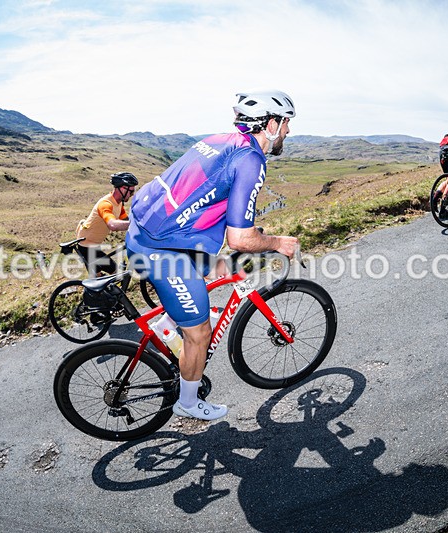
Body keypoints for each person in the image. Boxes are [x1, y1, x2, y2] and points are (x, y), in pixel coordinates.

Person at [125, 90, 299, 421]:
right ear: (272, 124)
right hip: (162, 250)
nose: (288, 131)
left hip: (147, 228)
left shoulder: (221, 139)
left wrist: (246, 229)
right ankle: (188, 403)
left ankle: (174, 327)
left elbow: (207, 195)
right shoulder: (250, 159)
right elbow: (240, 240)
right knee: (200, 333)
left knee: (214, 269)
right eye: (287, 123)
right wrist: (277, 242)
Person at [75, 172, 138, 276]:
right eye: (131, 191)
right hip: (86, 246)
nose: (132, 194)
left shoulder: (118, 203)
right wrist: (135, 225)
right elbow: (112, 225)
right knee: (114, 273)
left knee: (101, 276)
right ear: (122, 189)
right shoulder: (105, 204)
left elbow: (125, 219)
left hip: (93, 245)